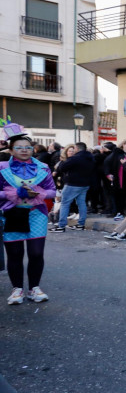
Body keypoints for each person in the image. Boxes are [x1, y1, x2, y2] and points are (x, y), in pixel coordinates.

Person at [0, 125, 56, 304]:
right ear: (11, 150)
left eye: (28, 147)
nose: (24, 150)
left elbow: (53, 191)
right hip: (12, 214)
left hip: (36, 214)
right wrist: (15, 193)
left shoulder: (43, 168)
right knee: (15, 253)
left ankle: (34, 289)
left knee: (36, 253)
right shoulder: (1, 168)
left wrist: (38, 193)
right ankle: (17, 290)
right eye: (19, 147)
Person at [51, 142, 95, 233]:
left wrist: (63, 161)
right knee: (81, 203)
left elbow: (62, 168)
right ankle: (81, 224)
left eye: (74, 148)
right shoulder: (90, 158)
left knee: (64, 203)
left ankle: (61, 226)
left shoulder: (75, 158)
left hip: (72, 184)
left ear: (77, 149)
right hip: (85, 184)